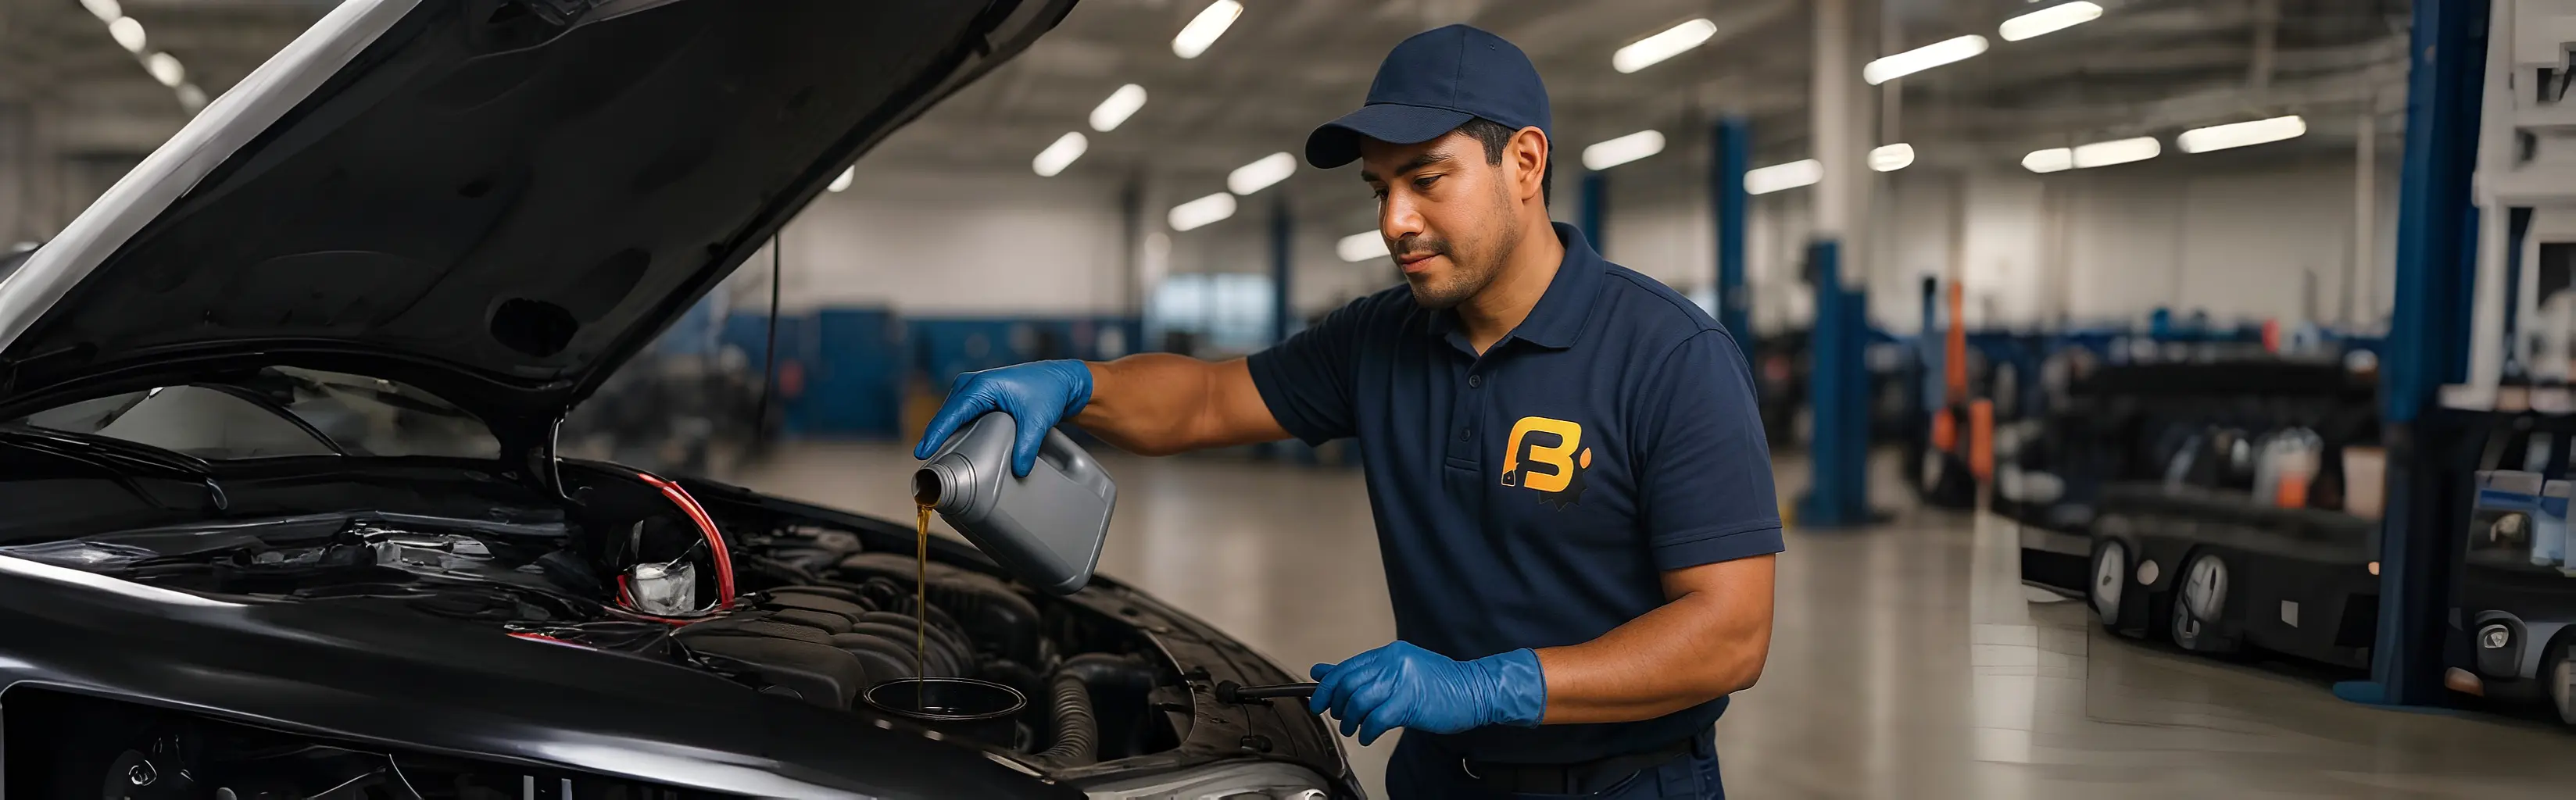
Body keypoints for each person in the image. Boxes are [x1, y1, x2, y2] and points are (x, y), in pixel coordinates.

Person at [913, 24, 1779, 799]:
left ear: (1523, 162)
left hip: (1620, 784)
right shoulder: (1381, 338)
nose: (1394, 220)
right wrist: (1078, 383)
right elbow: (1208, 400)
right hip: (1440, 777)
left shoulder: (1668, 357)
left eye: (1427, 180)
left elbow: (1728, 632)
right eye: (1379, 189)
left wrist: (1488, 686)